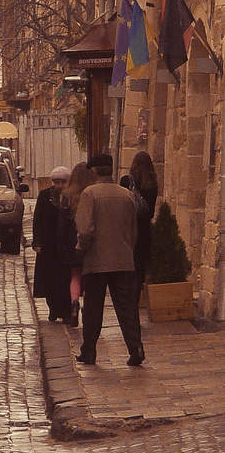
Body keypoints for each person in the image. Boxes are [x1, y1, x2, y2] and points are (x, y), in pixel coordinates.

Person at [75, 153, 144, 368]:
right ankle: (136, 348)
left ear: (94, 171)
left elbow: (85, 230)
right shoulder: (126, 195)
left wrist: (81, 248)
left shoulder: (90, 194)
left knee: (93, 308)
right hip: (123, 259)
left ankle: (89, 351)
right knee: (127, 308)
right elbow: (134, 231)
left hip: (96, 260)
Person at [32, 166, 72, 321]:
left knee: (64, 279)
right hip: (48, 245)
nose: (59, 185)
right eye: (56, 182)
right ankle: (53, 309)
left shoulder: (70, 197)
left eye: (62, 182)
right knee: (49, 279)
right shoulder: (44, 196)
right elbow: (38, 219)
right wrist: (37, 242)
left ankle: (66, 311)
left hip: (65, 246)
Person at [59, 160, 92, 327]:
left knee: (75, 275)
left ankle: (73, 305)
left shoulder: (66, 196)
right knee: (88, 276)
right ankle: (87, 307)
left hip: (72, 241)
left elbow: (62, 224)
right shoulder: (92, 194)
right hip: (89, 241)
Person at [128, 151, 159, 301]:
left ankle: (129, 296)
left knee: (130, 263)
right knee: (140, 264)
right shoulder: (153, 183)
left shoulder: (128, 182)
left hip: (129, 228)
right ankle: (136, 294)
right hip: (145, 229)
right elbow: (151, 211)